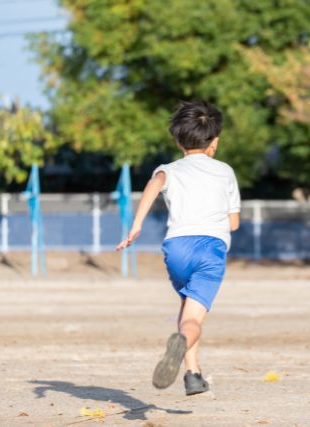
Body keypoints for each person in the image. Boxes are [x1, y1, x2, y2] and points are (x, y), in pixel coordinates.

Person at [116, 100, 240, 395]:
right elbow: (233, 223)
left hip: (176, 248)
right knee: (193, 321)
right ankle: (183, 344)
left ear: (178, 139)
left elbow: (154, 184)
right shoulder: (225, 172)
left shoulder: (168, 169)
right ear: (215, 141)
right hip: (210, 250)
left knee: (186, 307)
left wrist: (136, 226)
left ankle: (193, 375)